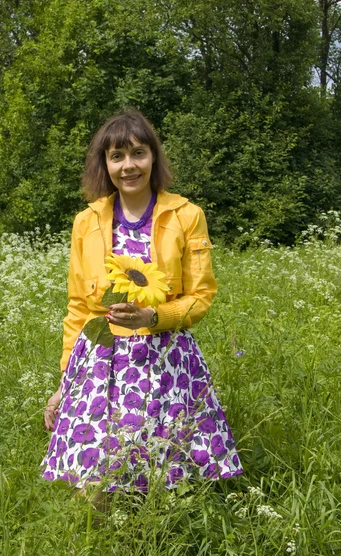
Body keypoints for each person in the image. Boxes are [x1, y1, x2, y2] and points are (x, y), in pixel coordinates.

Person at [41, 110, 242, 492]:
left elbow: (200, 296)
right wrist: (65, 380)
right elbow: (79, 307)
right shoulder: (86, 221)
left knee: (167, 466)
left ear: (154, 157)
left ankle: (156, 535)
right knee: (93, 469)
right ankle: (97, 541)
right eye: (117, 156)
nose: (128, 165)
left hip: (167, 356)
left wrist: (154, 316)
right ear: (105, 164)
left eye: (138, 153)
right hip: (100, 357)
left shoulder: (187, 215)